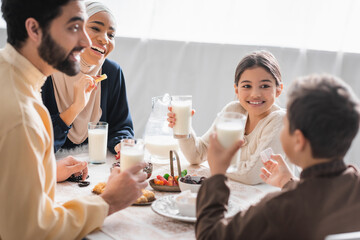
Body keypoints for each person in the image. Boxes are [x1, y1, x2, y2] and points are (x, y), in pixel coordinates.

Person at [0, 0, 147, 239]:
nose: (87, 42)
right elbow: (30, 231)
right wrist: (108, 202)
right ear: (34, 30)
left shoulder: (12, 78)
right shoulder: (22, 117)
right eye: (74, 27)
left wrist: (46, 171)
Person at [195, 74, 360, 239]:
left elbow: (210, 236)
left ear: (298, 140)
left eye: (285, 124)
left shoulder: (277, 209)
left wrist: (217, 175)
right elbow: (323, 204)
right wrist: (289, 183)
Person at [168, 50, 293, 184]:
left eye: (264, 86)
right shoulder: (234, 111)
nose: (255, 94)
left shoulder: (280, 120)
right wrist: (183, 127)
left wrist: (217, 165)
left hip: (270, 200)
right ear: (236, 90)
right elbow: (197, 155)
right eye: (247, 86)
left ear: (278, 89)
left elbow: (250, 175)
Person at [41, 1, 133, 155]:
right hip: (51, 169)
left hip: (94, 168)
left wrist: (121, 143)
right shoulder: (43, 71)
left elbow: (121, 126)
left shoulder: (112, 72)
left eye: (111, 35)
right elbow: (36, 145)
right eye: (95, 28)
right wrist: (75, 107)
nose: (105, 40)